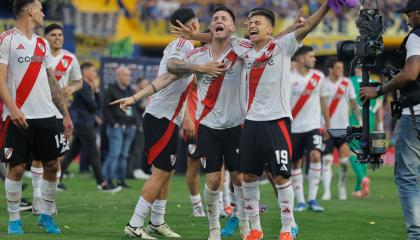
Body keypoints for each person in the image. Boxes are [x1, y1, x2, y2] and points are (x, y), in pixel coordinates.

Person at [111, 8, 224, 239]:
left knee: (167, 171)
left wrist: (136, 98)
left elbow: (166, 81)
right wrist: (201, 68)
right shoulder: (180, 45)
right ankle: (134, 223)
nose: (198, 27)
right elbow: (173, 68)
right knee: (161, 171)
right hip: (160, 118)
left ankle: (157, 221)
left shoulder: (189, 48)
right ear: (188, 26)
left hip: (169, 118)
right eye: (195, 23)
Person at [167, 6, 248, 239]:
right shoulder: (197, 55)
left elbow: (267, 42)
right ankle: (213, 229)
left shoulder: (241, 49)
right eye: (215, 19)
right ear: (211, 26)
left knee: (239, 178)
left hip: (236, 125)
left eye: (224, 18)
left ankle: (244, 223)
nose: (219, 21)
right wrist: (199, 67)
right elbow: (173, 66)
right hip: (208, 127)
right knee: (213, 179)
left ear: (232, 27)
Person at [0, 0, 73, 234]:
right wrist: (13, 109)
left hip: (47, 116)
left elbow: (52, 83)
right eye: (41, 9)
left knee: (53, 165)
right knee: (17, 168)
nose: (44, 13)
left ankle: (47, 216)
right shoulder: (6, 40)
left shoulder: (42, 44)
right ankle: (14, 220)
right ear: (30, 11)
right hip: (18, 116)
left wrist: (65, 114)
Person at [361, 1, 420, 238]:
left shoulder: (417, 35)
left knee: (407, 176)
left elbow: (411, 73)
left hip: (416, 113)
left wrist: (380, 89)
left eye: (408, 14)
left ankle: (416, 234)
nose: (407, 19)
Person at [30, 23, 83, 216]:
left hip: (61, 113)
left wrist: (72, 88)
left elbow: (79, 81)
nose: (58, 38)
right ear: (45, 38)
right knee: (38, 157)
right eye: (53, 35)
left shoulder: (70, 58)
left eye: (60, 35)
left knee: (56, 157)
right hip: (39, 111)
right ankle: (37, 197)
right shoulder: (36, 55)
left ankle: (48, 200)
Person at [60, 62, 121, 193]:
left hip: (83, 123)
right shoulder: (82, 86)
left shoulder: (87, 86)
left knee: (72, 153)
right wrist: (97, 91)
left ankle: (55, 179)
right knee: (94, 153)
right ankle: (102, 183)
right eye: (93, 71)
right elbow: (93, 106)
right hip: (84, 124)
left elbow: (95, 106)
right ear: (85, 72)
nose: (95, 74)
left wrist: (96, 91)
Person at [289, 45, 329, 212]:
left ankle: (312, 198)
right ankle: (300, 201)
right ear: (300, 59)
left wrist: (327, 123)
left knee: (315, 155)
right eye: (311, 56)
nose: (315, 59)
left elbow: (323, 100)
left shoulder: (319, 77)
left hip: (313, 126)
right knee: (296, 162)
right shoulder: (289, 78)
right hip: (293, 127)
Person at [321, 57, 361, 201]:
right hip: (327, 129)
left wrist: (360, 120)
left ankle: (341, 185)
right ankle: (326, 191)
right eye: (338, 68)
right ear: (331, 69)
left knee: (344, 161)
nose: (341, 71)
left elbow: (354, 103)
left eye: (342, 68)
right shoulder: (323, 83)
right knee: (326, 160)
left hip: (343, 129)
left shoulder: (347, 83)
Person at [348, 67, 383, 198]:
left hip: (356, 120)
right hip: (371, 120)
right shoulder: (376, 83)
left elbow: (350, 103)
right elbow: (379, 106)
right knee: (364, 153)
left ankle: (363, 179)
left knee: (353, 153)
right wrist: (380, 127)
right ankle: (358, 189)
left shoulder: (349, 81)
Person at [102, 66, 139, 188]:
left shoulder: (130, 90)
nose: (129, 78)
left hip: (130, 126)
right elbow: (105, 108)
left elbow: (134, 108)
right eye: (126, 75)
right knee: (115, 153)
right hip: (116, 126)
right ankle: (107, 180)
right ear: (118, 76)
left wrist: (135, 124)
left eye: (129, 75)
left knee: (124, 155)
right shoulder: (110, 90)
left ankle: (120, 180)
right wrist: (113, 123)